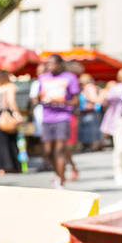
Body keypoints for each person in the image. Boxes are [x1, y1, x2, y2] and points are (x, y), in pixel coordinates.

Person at [35, 54, 80, 188]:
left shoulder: (70, 78)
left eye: (52, 63)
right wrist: (38, 97)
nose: (49, 66)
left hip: (62, 117)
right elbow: (38, 98)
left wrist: (62, 102)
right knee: (47, 152)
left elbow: (76, 101)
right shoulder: (43, 78)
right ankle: (58, 173)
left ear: (59, 64)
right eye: (47, 64)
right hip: (47, 116)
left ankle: (61, 182)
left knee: (59, 149)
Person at [77, 74, 103, 151]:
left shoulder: (89, 87)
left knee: (92, 130)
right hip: (85, 112)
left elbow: (94, 99)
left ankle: (94, 146)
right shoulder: (86, 88)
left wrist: (86, 97)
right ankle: (91, 145)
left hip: (91, 111)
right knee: (88, 130)